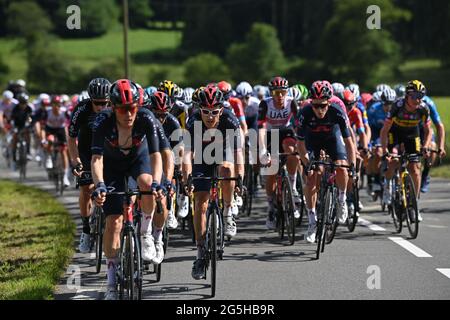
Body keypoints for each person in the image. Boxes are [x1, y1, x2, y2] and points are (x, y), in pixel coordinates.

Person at [91, 79, 165, 300]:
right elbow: (96, 158)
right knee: (113, 222)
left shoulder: (145, 118)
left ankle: (145, 234)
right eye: (123, 109)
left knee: (146, 183)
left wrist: (157, 183)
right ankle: (111, 282)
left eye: (132, 107)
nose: (128, 113)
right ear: (113, 108)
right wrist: (100, 184)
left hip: (137, 160)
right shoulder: (102, 121)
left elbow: (155, 156)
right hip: (112, 166)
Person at [182, 85, 244, 279]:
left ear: (221, 110)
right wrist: (187, 178)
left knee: (227, 168)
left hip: (223, 152)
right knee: (200, 202)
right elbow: (187, 154)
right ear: (199, 110)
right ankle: (200, 254)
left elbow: (237, 153)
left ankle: (227, 211)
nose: (209, 117)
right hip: (201, 156)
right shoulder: (193, 121)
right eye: (205, 112)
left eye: (214, 112)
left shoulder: (230, 120)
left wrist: (240, 179)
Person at [297, 81, 356, 243]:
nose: (319, 110)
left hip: (332, 137)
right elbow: (300, 145)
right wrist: (308, 162)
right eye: (315, 106)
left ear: (329, 102)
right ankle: (311, 222)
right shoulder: (305, 112)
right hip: (311, 140)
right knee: (311, 178)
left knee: (342, 167)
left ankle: (342, 199)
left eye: (322, 106)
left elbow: (349, 143)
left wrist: (352, 166)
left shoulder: (338, 110)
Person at [68, 78, 111, 253]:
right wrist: (76, 161)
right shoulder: (81, 109)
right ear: (90, 99)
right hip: (86, 150)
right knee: (86, 188)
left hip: (108, 150)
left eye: (105, 103)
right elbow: (71, 137)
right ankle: (86, 230)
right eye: (97, 103)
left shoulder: (115, 109)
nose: (101, 107)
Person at [380, 80, 432, 222]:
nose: (417, 99)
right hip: (395, 134)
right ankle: (387, 186)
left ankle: (414, 204)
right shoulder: (397, 106)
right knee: (394, 160)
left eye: (421, 96)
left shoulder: (423, 108)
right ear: (407, 95)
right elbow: (384, 130)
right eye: (414, 95)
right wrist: (385, 150)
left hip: (412, 135)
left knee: (415, 168)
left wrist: (426, 146)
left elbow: (428, 130)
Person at [258, 76, 301, 229]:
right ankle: (271, 206)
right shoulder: (265, 104)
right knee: (272, 168)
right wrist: (263, 150)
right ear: (271, 93)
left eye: (282, 92)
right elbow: (261, 129)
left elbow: (297, 126)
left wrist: (301, 147)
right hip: (270, 134)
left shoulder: (291, 102)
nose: (280, 96)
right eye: (276, 93)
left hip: (287, 131)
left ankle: (293, 186)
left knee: (292, 151)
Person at [40, 95, 71, 187]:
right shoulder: (47, 112)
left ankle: (65, 176)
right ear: (51, 104)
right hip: (50, 129)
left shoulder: (64, 112)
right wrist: (43, 139)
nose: (56, 106)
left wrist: (69, 138)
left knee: (63, 151)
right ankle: (49, 157)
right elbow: (42, 127)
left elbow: (70, 125)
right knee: (50, 139)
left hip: (61, 130)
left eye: (58, 104)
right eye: (54, 104)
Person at [10, 93, 34, 164]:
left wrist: (30, 120)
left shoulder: (29, 108)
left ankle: (28, 152)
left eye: (25, 103)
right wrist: (12, 124)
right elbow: (12, 118)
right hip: (17, 125)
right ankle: (14, 153)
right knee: (15, 136)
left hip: (25, 125)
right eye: (21, 103)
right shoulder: (15, 108)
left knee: (28, 135)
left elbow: (31, 117)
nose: (23, 105)